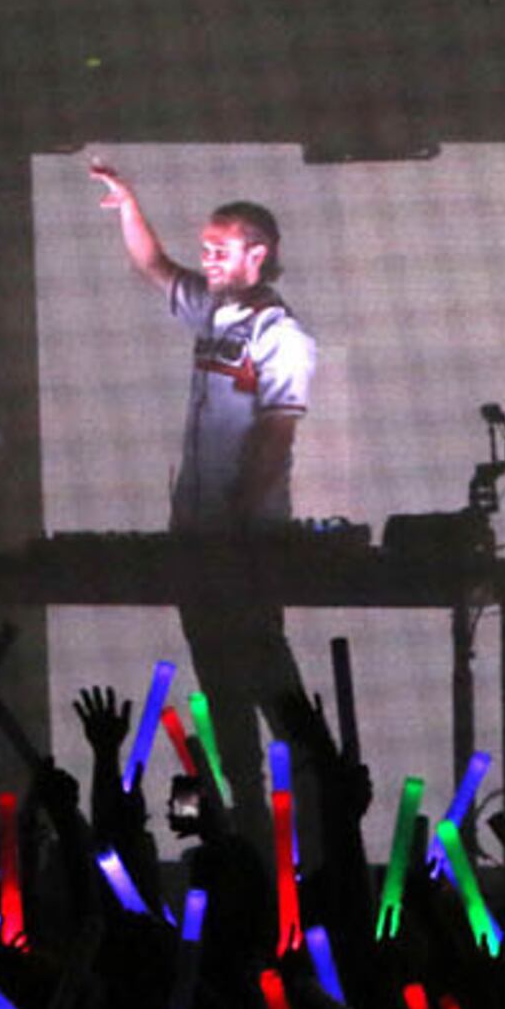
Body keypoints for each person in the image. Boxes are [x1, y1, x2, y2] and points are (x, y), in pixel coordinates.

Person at [83, 157, 315, 810]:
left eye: (220, 251)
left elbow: (277, 436)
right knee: (217, 671)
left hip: (244, 540)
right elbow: (153, 266)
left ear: (257, 255)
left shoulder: (281, 336)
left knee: (261, 665)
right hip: (199, 536)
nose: (206, 260)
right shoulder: (216, 313)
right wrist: (128, 204)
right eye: (206, 250)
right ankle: (246, 799)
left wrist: (236, 523)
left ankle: (307, 797)